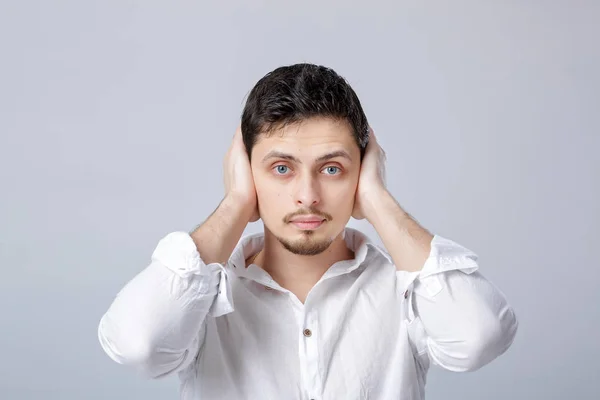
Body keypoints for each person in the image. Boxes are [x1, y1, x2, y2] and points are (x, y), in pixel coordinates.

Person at [97, 63, 518, 400]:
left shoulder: (406, 292)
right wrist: (236, 204)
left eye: (332, 169)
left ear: (361, 172)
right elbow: (139, 345)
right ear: (246, 172)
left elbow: (480, 337)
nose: (308, 195)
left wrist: (377, 200)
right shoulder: (202, 298)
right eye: (281, 169)